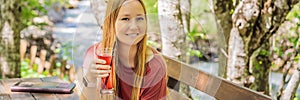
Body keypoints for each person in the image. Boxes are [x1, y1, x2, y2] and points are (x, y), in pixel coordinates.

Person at [82, 0, 167, 99]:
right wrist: (90, 78)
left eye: (139, 18)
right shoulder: (94, 54)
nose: (134, 27)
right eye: (125, 19)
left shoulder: (154, 65)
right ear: (111, 22)